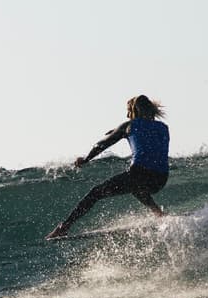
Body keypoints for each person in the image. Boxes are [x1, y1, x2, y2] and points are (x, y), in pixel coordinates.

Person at [46, 95, 169, 239]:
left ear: (134, 110)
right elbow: (149, 138)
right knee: (137, 188)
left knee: (95, 193)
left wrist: (85, 159)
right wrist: (119, 130)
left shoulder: (130, 125)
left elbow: (102, 144)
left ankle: (64, 227)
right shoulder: (163, 128)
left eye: (128, 111)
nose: (127, 115)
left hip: (139, 174)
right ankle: (158, 213)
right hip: (161, 179)